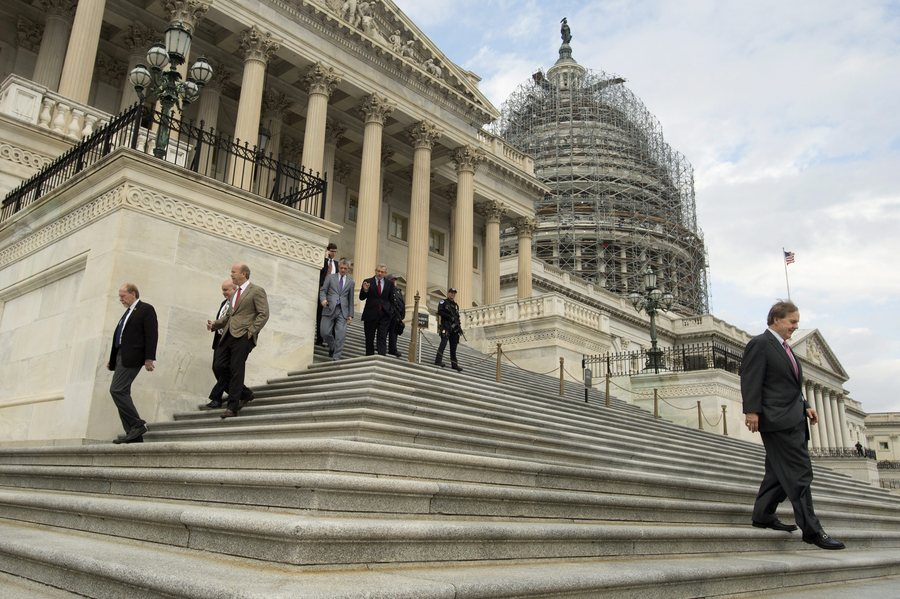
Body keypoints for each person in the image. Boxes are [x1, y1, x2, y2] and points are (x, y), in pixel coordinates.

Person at [741, 300, 844, 550]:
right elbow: (751, 377)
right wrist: (751, 410)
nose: (795, 327)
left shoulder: (785, 349)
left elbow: (788, 385)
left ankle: (763, 515)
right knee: (800, 473)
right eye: (792, 321)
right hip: (777, 420)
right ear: (776, 319)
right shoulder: (761, 344)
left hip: (792, 416)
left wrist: (805, 404)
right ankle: (812, 530)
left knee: (778, 472)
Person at [208, 263, 269, 419]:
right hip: (228, 334)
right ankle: (245, 393)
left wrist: (250, 332)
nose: (231, 275)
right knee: (219, 366)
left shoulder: (256, 291)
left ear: (244, 274)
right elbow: (229, 316)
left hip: (243, 336)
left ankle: (232, 406)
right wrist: (215, 324)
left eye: (233, 272)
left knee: (236, 369)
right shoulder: (235, 293)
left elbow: (264, 314)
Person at [107, 283, 158, 444]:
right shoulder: (127, 313)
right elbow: (120, 336)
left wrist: (149, 358)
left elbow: (152, 335)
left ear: (133, 293)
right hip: (122, 356)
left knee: (117, 390)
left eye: (123, 295)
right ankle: (133, 434)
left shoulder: (145, 309)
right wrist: (113, 359)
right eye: (120, 296)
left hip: (133, 357)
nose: (120, 299)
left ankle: (137, 424)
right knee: (122, 391)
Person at [201, 279, 236, 410]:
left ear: (234, 288)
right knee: (217, 368)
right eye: (222, 290)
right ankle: (244, 392)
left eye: (226, 290)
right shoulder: (224, 303)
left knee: (222, 367)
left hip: (229, 340)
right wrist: (214, 325)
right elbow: (222, 320)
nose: (223, 292)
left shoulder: (237, 303)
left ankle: (216, 397)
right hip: (219, 340)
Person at [319, 259, 354, 360]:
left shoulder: (351, 282)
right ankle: (333, 346)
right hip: (329, 307)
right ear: (338, 267)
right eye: (341, 268)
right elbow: (323, 290)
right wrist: (323, 299)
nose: (343, 270)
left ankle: (336, 357)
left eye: (345, 268)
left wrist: (350, 315)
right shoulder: (330, 277)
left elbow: (350, 299)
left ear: (348, 269)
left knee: (341, 334)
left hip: (343, 311)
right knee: (324, 332)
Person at [359, 264, 394, 356]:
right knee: (369, 337)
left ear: (385, 273)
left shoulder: (389, 284)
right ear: (375, 271)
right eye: (378, 271)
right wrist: (365, 290)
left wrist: (390, 311)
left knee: (382, 337)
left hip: (384, 315)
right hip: (370, 314)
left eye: (382, 272)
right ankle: (369, 357)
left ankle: (381, 357)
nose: (379, 273)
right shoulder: (367, 281)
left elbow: (391, 300)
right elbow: (361, 297)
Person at [434, 287, 463, 372]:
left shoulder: (456, 306)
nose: (452, 294)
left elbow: (457, 318)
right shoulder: (443, 302)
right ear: (448, 293)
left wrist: (459, 327)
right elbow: (440, 312)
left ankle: (454, 364)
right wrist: (449, 317)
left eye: (454, 293)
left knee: (453, 347)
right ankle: (438, 360)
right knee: (443, 344)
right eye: (451, 293)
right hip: (446, 326)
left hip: (454, 329)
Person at [316, 243, 338, 344]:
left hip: (332, 293)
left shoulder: (337, 265)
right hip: (322, 291)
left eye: (335, 251)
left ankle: (328, 339)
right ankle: (319, 339)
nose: (333, 253)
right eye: (332, 251)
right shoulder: (323, 261)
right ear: (328, 251)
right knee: (319, 314)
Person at [386, 274, 405, 358]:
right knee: (384, 331)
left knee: (394, 333)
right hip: (388, 314)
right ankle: (380, 346)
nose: (394, 282)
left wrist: (402, 316)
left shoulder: (398, 291)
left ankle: (393, 349)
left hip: (396, 316)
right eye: (392, 280)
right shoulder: (386, 289)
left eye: (394, 280)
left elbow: (402, 304)